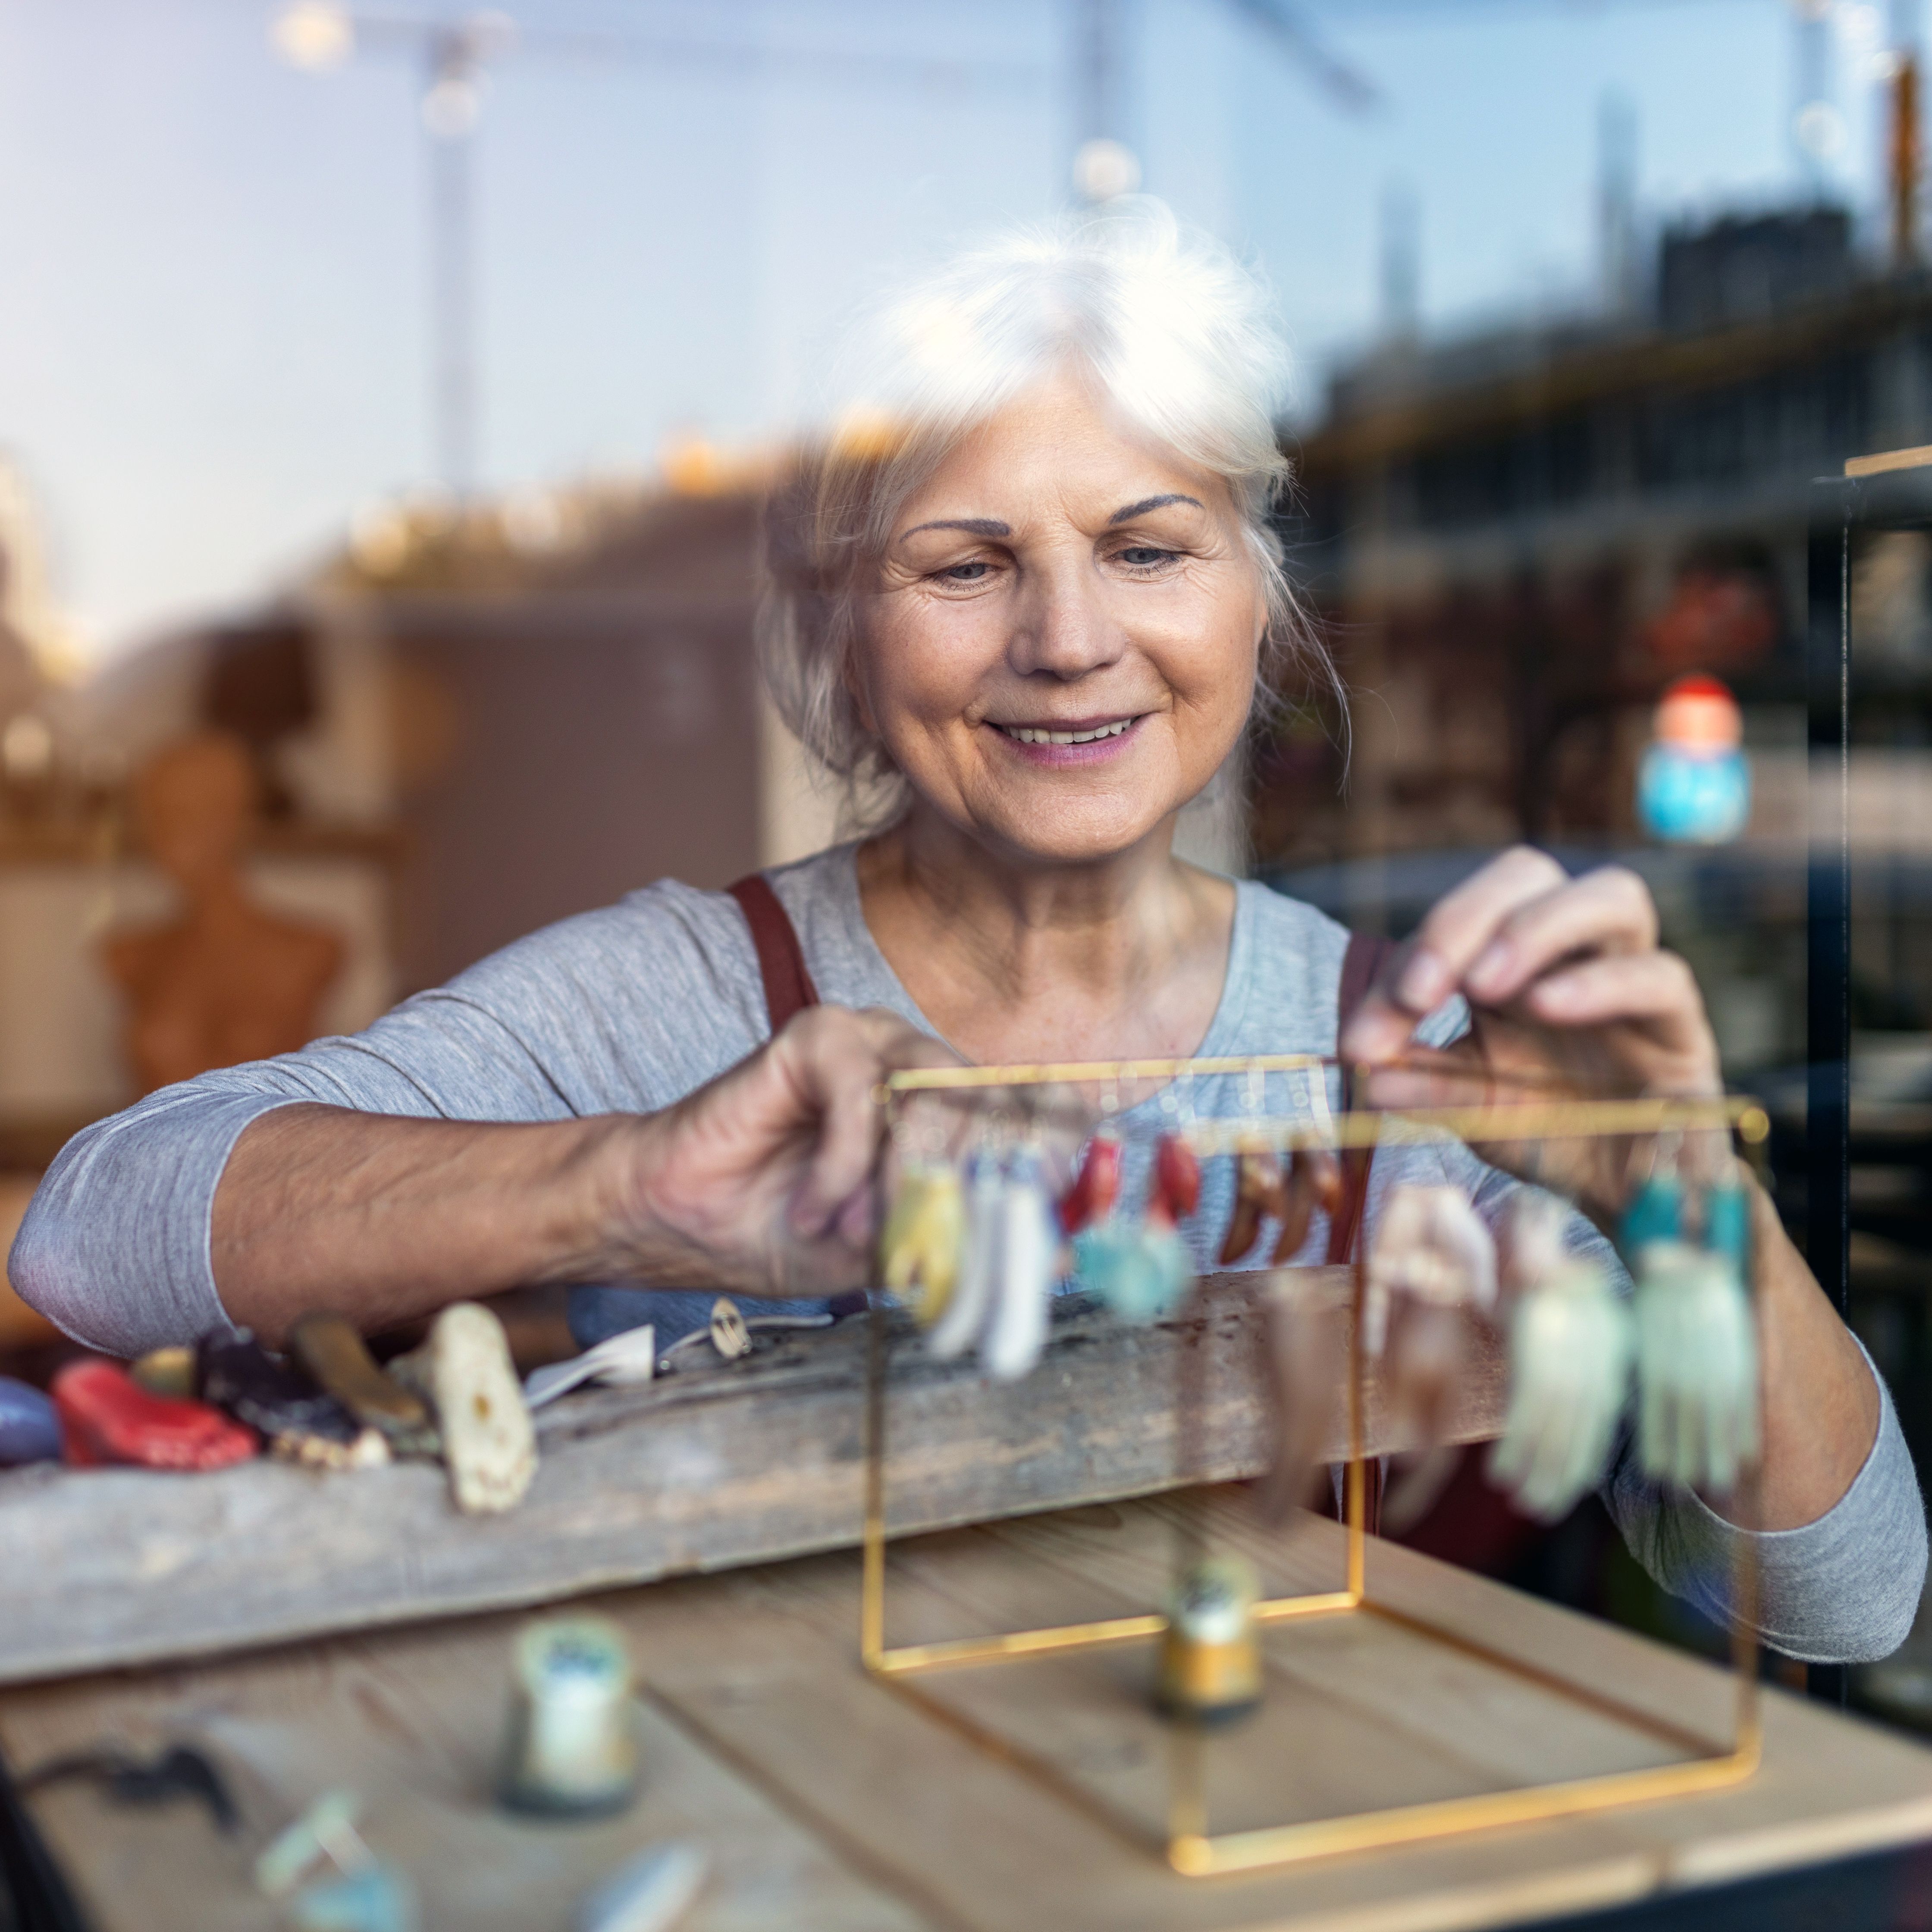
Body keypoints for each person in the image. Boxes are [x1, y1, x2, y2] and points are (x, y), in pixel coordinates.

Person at [12, 206, 1921, 1663]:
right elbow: (91, 1235)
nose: (1069, 637)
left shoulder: (1401, 1050)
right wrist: (632, 1192)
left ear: (1256, 601)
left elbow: (1839, 1600)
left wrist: (1686, 1192)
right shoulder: (694, 994)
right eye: (965, 561)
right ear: (850, 630)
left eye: (1150, 547)